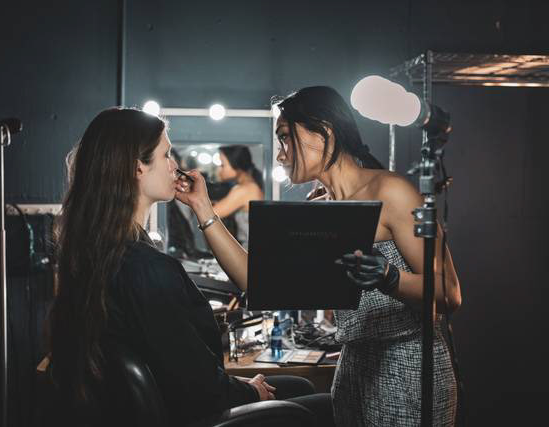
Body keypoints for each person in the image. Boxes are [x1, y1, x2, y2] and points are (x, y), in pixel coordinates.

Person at [174, 86, 461, 426]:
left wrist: (389, 277)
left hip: (408, 369)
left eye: (285, 138)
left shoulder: (391, 192)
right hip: (353, 370)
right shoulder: (318, 207)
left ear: (323, 132)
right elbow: (256, 279)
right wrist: (202, 207)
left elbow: (449, 293)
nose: (280, 155)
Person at [48, 107, 321, 427]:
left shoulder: (96, 256)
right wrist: (250, 392)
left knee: (297, 386)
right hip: (194, 412)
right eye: (166, 155)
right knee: (320, 403)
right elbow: (198, 388)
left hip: (167, 404)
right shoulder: (147, 270)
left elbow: (177, 368)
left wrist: (239, 385)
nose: (174, 166)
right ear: (138, 167)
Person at [213, 145, 264, 248]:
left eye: (222, 165)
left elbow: (208, 215)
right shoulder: (249, 186)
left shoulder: (245, 189)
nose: (219, 169)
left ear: (235, 164)